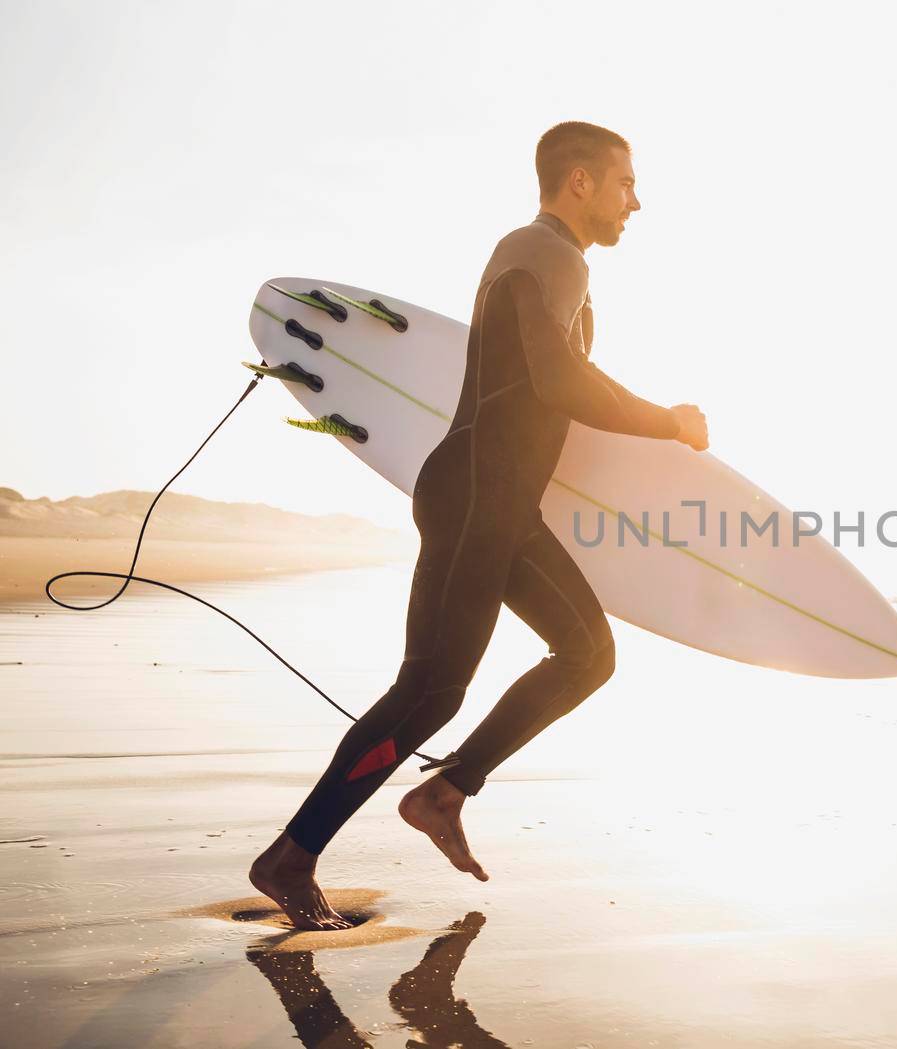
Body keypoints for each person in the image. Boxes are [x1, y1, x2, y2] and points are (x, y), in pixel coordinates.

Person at [248, 121, 708, 930]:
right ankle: (293, 856)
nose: (636, 200)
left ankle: (445, 789)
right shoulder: (546, 253)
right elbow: (558, 378)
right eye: (625, 182)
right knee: (428, 692)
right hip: (477, 500)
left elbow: (552, 380)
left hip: (495, 502)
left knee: (586, 654)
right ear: (579, 182)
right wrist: (667, 422)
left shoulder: (545, 261)